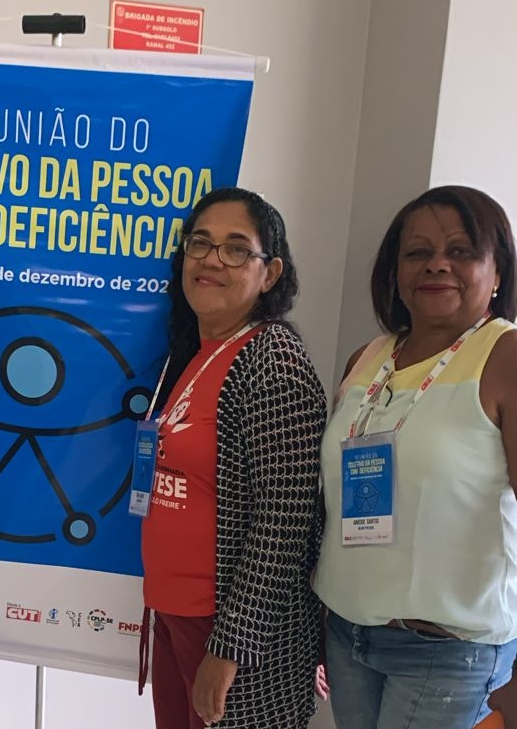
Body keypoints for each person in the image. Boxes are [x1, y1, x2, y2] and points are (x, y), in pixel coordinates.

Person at [313, 185, 517, 728]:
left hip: (448, 654)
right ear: (395, 271)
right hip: (348, 636)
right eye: (417, 252)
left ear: (498, 271)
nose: (437, 264)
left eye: (461, 250)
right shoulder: (367, 358)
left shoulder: (505, 356)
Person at [140, 187, 326, 728]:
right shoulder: (193, 354)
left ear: (270, 273)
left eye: (236, 248)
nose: (212, 259)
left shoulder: (273, 360)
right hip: (175, 611)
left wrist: (230, 649)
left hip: (229, 632)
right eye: (200, 243)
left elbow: (284, 521)